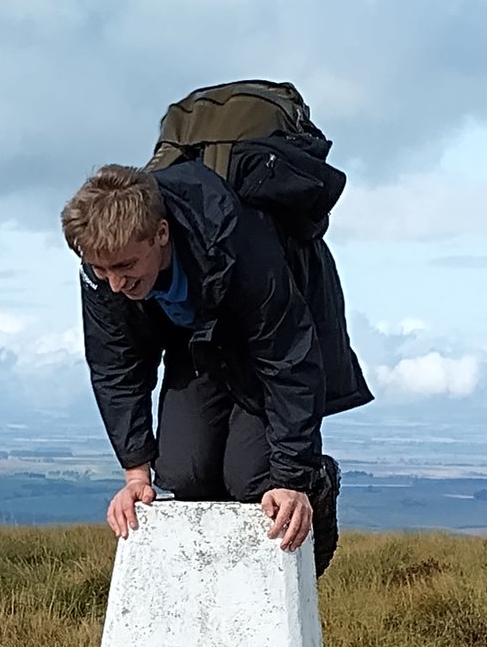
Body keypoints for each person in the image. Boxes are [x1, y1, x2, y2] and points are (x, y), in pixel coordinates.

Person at [60, 161, 372, 574]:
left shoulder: (240, 245)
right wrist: (136, 475)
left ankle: (320, 481)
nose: (116, 283)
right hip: (201, 346)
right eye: (102, 269)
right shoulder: (103, 271)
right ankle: (224, 578)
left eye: (125, 267)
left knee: (253, 481)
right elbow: (116, 366)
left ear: (161, 234)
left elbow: (288, 360)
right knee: (184, 475)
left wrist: (294, 478)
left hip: (271, 347)